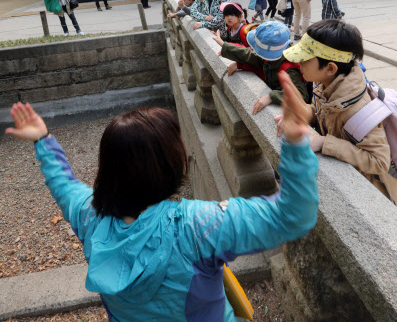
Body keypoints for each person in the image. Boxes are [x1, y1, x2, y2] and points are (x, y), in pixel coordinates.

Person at [5, 75, 319, 321]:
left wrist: (44, 141)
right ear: (169, 165)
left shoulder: (88, 216)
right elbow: (292, 216)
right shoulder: (198, 226)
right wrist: (294, 142)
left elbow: (64, 185)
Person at [280, 19, 396, 202]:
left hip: (365, 194)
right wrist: (303, 114)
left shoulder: (358, 110)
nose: (298, 63)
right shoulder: (325, 85)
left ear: (330, 68)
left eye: (304, 59)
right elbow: (325, 116)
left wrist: (326, 143)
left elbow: (379, 162)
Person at [221, 21, 309, 114]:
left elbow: (301, 95)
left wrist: (272, 96)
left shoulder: (289, 67)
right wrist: (238, 62)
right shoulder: (277, 53)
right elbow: (254, 57)